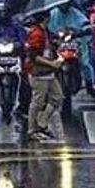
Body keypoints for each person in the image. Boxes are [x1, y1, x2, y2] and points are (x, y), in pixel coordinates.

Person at [25, 11, 63, 142]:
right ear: (45, 19)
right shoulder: (36, 34)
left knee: (57, 97)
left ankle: (42, 123)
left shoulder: (46, 32)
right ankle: (31, 130)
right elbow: (33, 56)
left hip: (49, 72)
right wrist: (51, 63)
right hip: (39, 73)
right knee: (37, 102)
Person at [48, 0, 95, 95]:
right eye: (60, 3)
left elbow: (85, 25)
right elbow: (47, 27)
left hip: (75, 43)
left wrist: (81, 31)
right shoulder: (53, 14)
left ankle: (89, 84)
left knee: (85, 63)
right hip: (58, 43)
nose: (62, 5)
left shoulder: (76, 13)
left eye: (64, 3)